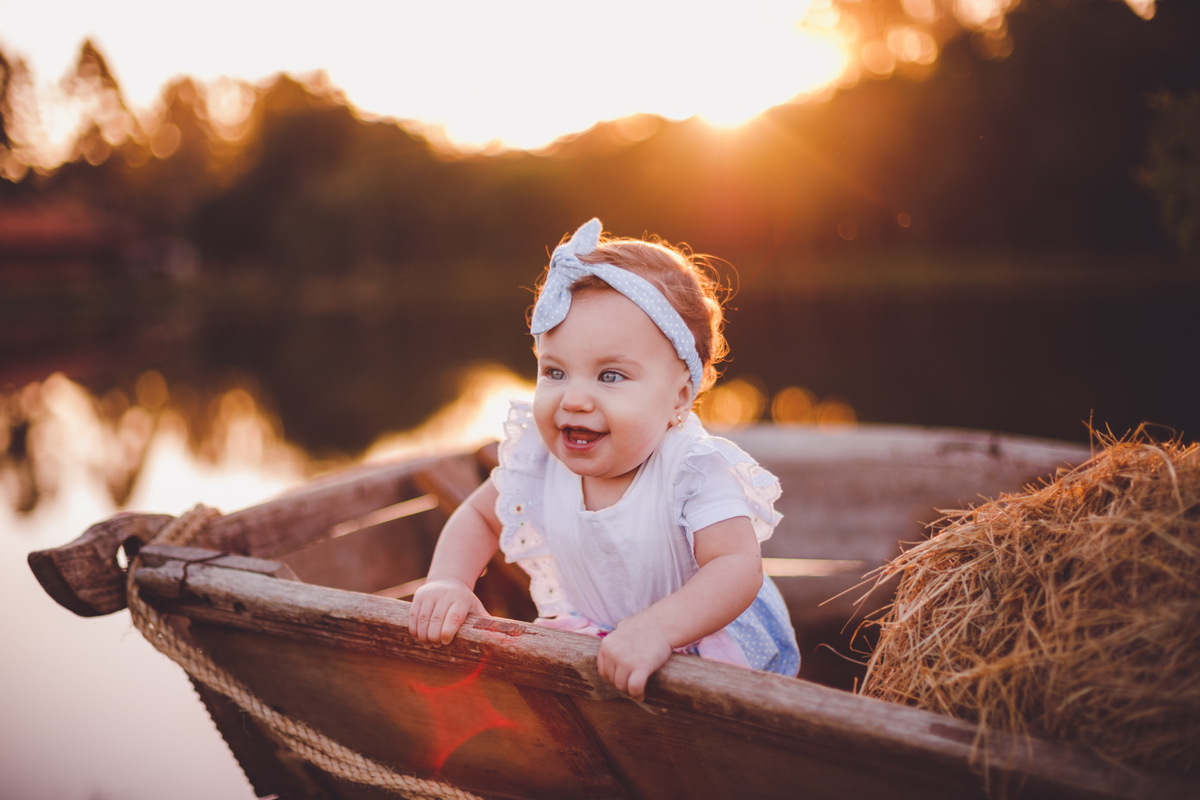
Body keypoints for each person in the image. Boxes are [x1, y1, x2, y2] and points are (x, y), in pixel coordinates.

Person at [408, 218, 799, 701]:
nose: (573, 399)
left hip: (700, 644)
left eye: (610, 377)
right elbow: (478, 517)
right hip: (600, 637)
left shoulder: (690, 469)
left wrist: (658, 628)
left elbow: (736, 565)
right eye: (554, 371)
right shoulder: (542, 461)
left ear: (680, 396)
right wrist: (448, 579)